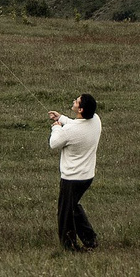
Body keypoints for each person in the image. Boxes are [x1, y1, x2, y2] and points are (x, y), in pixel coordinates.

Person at [48, 91, 102, 251]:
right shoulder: (96, 120)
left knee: (65, 213)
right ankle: (90, 239)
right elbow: (76, 124)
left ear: (81, 110)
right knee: (73, 207)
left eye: (77, 101)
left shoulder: (70, 132)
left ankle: (69, 247)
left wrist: (57, 128)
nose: (74, 101)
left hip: (72, 178)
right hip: (87, 176)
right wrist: (61, 118)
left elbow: (54, 143)